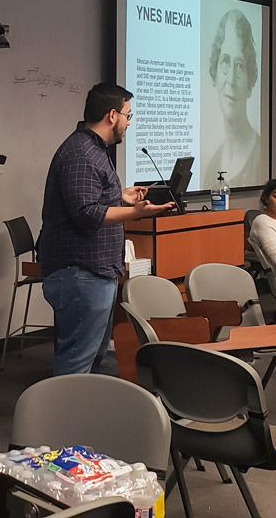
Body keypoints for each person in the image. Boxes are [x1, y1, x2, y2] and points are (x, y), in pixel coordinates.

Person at [40, 82, 173, 376]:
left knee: (93, 356)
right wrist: (135, 213)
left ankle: (83, 417)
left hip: (93, 271)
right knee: (77, 359)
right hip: (80, 273)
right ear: (112, 115)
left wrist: (120, 196)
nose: (128, 122)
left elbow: (89, 199)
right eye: (128, 115)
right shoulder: (82, 154)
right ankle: (62, 419)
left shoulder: (93, 150)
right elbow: (86, 214)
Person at [202, 9, 261, 189]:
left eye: (240, 65)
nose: (231, 80)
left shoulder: (261, 156)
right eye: (225, 61)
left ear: (250, 84)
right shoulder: (211, 167)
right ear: (215, 74)